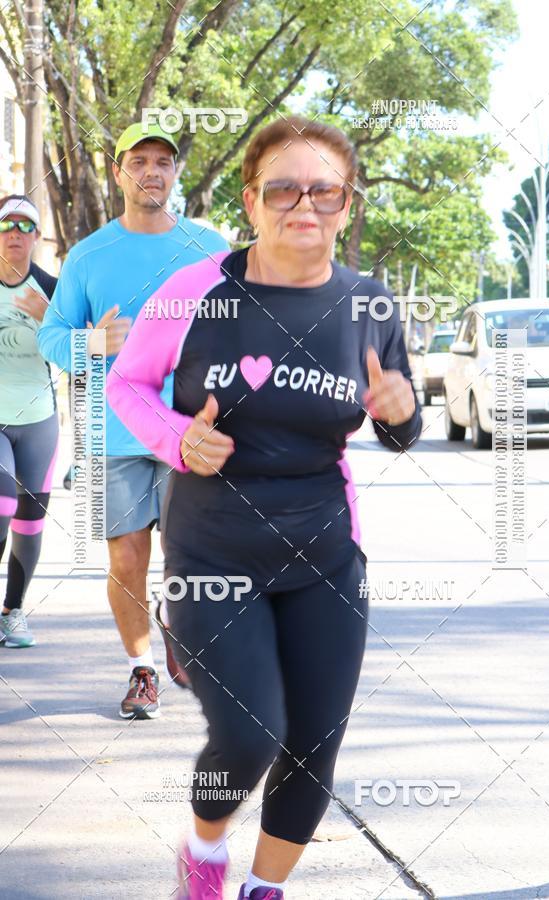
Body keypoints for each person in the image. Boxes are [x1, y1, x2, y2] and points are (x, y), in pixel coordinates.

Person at [107, 115, 422, 899]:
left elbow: (403, 427)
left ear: (348, 205)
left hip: (324, 553)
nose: (303, 205)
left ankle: (263, 890)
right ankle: (205, 846)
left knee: (314, 741)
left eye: (324, 189)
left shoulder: (370, 306)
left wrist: (400, 412)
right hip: (213, 551)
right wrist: (179, 440)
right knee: (250, 735)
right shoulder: (196, 289)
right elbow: (127, 384)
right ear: (252, 199)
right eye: (283, 187)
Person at [37, 122, 228, 717]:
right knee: (125, 558)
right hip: (110, 432)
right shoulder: (89, 254)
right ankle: (140, 670)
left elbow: (243, 324)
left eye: (163, 162)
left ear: (175, 174)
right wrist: (91, 341)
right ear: (119, 172)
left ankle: (177, 619)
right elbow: (51, 334)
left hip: (189, 430)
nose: (152, 171)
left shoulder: (210, 246)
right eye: (139, 160)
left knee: (188, 558)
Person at [0, 194, 59, 648]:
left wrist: (52, 319)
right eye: (7, 225)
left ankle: (12, 612)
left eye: (25, 225)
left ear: (37, 237)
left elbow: (89, 351)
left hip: (39, 420)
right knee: (1, 504)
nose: (15, 232)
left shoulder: (53, 288)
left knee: (29, 522)